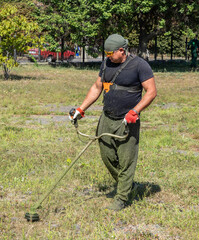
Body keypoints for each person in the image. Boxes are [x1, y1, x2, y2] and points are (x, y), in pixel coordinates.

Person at [69, 34, 157, 211]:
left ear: (121, 50)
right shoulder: (106, 63)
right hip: (107, 118)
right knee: (107, 156)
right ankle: (128, 185)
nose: (108, 56)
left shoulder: (139, 65)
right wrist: (81, 109)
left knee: (126, 160)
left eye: (111, 53)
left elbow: (151, 91)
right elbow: (97, 87)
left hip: (127, 120)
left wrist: (135, 111)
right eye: (106, 53)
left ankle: (122, 197)